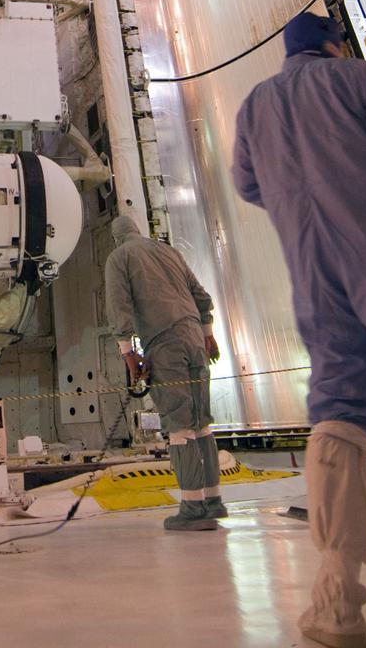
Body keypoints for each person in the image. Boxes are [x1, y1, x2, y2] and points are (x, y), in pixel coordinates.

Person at [232, 10, 366, 648]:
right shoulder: (358, 81)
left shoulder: (255, 106)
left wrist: (301, 202)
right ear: (333, 43)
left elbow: (247, 183)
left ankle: (335, 603)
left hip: (314, 273)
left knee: (339, 411)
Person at [104, 213, 225, 531]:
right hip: (195, 339)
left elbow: (119, 308)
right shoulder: (168, 250)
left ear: (116, 237)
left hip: (164, 343)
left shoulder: (119, 257)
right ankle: (213, 501)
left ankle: (192, 507)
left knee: (179, 426)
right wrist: (208, 334)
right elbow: (201, 296)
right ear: (138, 230)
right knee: (202, 423)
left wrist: (129, 356)